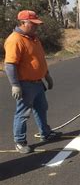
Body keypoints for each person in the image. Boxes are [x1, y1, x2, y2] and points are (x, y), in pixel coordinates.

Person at [4, 10, 62, 154]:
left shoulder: (33, 38)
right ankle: (20, 141)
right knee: (23, 113)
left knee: (41, 108)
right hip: (25, 84)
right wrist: (15, 85)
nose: (36, 27)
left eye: (37, 24)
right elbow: (10, 65)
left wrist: (46, 75)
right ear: (23, 23)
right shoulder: (15, 39)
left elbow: (40, 59)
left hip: (37, 83)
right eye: (33, 24)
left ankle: (45, 133)